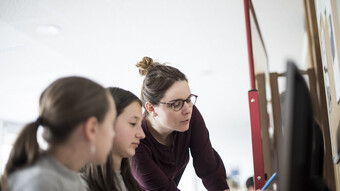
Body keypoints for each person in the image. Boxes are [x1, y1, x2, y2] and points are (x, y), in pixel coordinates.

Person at [0, 76, 116, 191]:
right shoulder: (42, 183)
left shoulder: (74, 180)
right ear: (91, 129)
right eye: (111, 125)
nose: (113, 134)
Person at [131, 56, 230, 191]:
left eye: (189, 100)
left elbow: (209, 168)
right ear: (151, 109)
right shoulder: (135, 144)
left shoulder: (190, 115)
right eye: (176, 104)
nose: (187, 110)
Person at [83, 87, 145, 191]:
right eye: (133, 123)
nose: (142, 134)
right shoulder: (76, 185)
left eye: (140, 125)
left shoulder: (131, 184)